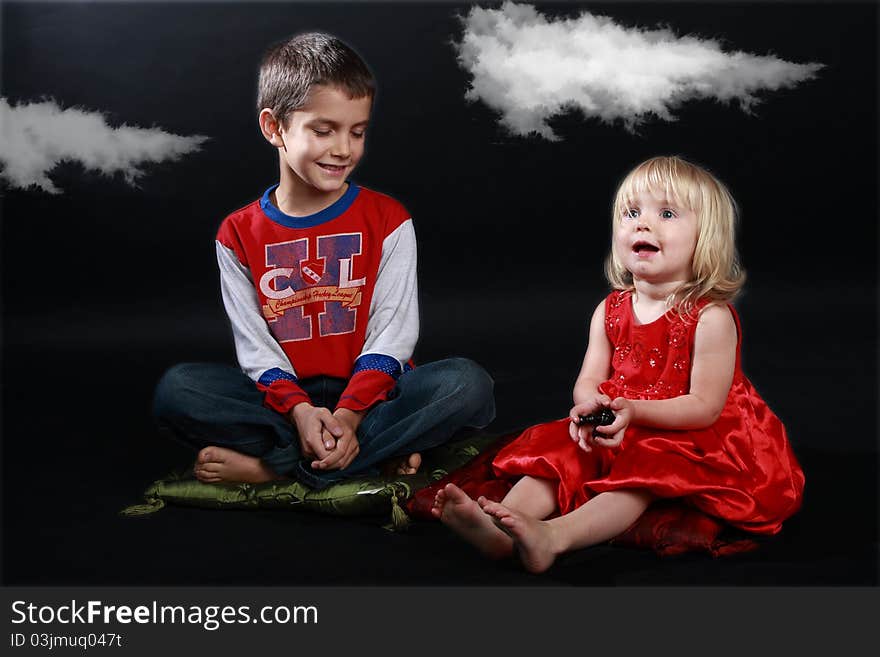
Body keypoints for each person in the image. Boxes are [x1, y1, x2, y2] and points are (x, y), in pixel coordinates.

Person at [152, 32, 495, 489]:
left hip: (373, 394)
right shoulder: (236, 233)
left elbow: (393, 333)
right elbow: (255, 347)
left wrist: (350, 416)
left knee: (467, 384)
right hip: (285, 400)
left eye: (357, 132)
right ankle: (369, 455)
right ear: (274, 128)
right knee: (178, 391)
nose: (344, 149)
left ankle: (273, 469)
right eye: (323, 130)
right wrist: (300, 410)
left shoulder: (388, 219)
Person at [432, 155, 805, 573]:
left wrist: (635, 411)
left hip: (691, 434)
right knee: (559, 456)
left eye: (666, 213)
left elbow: (705, 406)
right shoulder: (610, 309)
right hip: (620, 422)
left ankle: (556, 537)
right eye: (631, 213)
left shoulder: (708, 318)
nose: (642, 224)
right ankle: (497, 529)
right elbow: (590, 379)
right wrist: (590, 409)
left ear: (706, 238)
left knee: (642, 476)